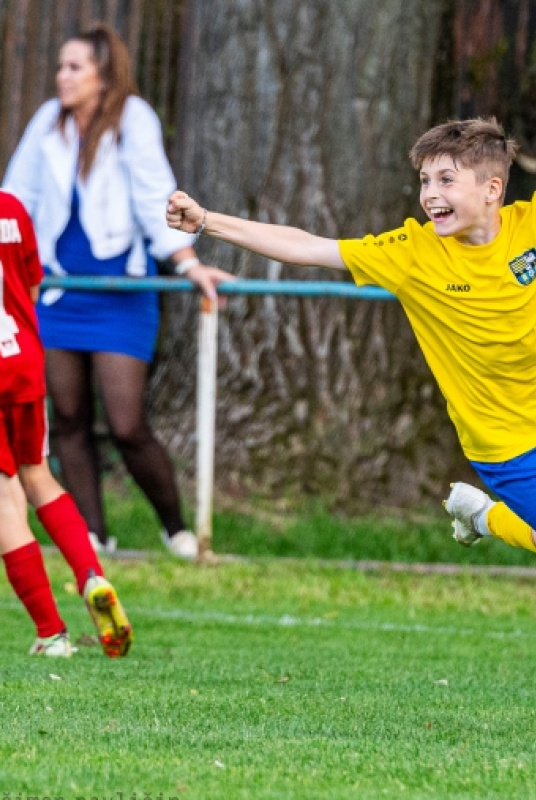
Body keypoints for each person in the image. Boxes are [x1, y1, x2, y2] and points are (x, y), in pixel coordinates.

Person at [166, 102, 536, 750]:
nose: (429, 195)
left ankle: (484, 518)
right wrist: (208, 222)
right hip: (509, 451)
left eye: (444, 180)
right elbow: (311, 248)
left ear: (491, 189)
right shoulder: (413, 254)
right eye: (424, 181)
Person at [2, 24, 231, 559]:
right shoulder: (47, 123)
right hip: (58, 292)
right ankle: (92, 535)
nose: (63, 76)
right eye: (60, 66)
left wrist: (187, 263)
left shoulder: (133, 118)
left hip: (120, 292)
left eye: (74, 66)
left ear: (104, 74)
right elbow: (17, 197)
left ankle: (177, 530)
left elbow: (156, 196)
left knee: (127, 423)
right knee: (69, 419)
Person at [1, 188, 132, 658]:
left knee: (4, 501)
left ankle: (51, 632)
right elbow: (32, 287)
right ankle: (91, 575)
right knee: (38, 475)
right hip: (21, 362)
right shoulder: (12, 208)